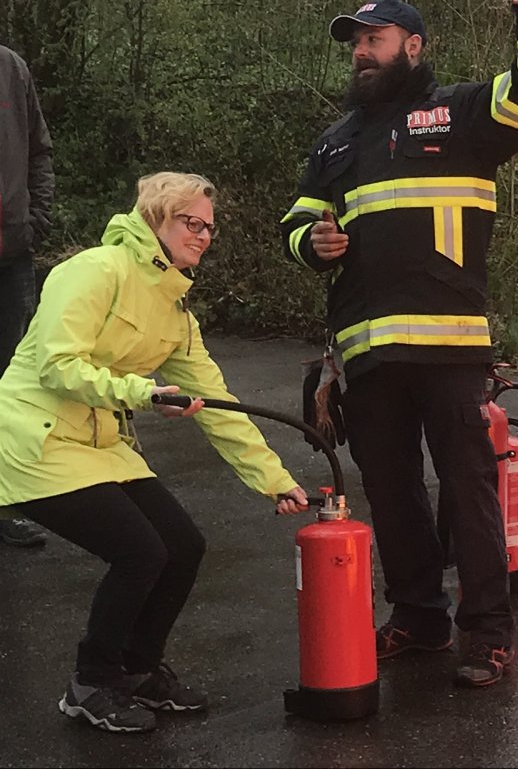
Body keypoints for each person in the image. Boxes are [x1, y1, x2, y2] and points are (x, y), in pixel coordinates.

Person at [280, 0, 518, 688]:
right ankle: (419, 618)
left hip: (450, 347)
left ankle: (488, 633)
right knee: (392, 491)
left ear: (412, 46)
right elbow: (297, 221)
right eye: (355, 43)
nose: (361, 52)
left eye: (373, 39)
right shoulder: (337, 143)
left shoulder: (459, 113)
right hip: (368, 352)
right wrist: (311, 242)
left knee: (468, 488)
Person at [0, 171, 311, 733]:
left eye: (209, 228)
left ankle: (137, 670)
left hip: (100, 442)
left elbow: (218, 404)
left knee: (184, 545)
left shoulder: (175, 309)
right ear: (156, 218)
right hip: (34, 438)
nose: (204, 236)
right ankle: (91, 682)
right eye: (192, 223)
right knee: (140, 552)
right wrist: (145, 392)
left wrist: (276, 479)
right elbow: (57, 365)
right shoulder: (94, 270)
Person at [0, 44, 54, 548]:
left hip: (11, 255)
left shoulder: (11, 68)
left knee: (11, 384)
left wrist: (35, 221)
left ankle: (4, 505)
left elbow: (39, 151)